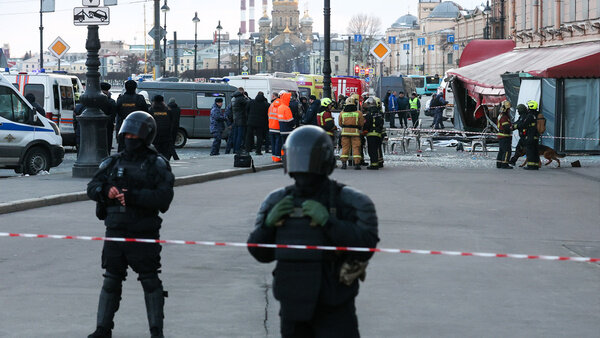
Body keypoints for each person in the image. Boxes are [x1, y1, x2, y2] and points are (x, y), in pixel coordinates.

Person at [247, 125, 379, 338]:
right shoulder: (277, 200)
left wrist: (329, 223)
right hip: (292, 303)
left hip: (334, 305)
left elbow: (365, 247)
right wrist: (267, 227)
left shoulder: (349, 200)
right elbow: (259, 252)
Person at [87, 111, 174, 338]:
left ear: (145, 137)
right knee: (111, 280)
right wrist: (106, 191)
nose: (130, 139)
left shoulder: (157, 164)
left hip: (143, 231)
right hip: (115, 229)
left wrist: (133, 196)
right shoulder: (113, 162)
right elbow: (92, 186)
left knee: (150, 281)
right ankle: (102, 330)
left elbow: (164, 199)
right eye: (127, 135)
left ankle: (156, 331)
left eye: (134, 136)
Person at [116, 80, 148, 152]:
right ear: (135, 88)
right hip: (137, 127)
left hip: (123, 127)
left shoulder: (121, 99)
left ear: (125, 87)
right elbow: (145, 112)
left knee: (122, 148)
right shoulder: (140, 98)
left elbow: (117, 112)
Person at [338, 96, 365, 170]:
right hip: (355, 133)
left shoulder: (342, 113)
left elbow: (340, 123)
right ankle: (357, 164)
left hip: (345, 133)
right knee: (356, 148)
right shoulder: (358, 113)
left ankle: (344, 164)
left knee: (345, 148)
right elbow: (361, 123)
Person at [149, 95, 174, 160]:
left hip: (155, 138)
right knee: (165, 157)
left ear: (154, 102)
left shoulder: (151, 111)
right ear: (163, 101)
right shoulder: (168, 111)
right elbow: (171, 123)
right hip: (166, 138)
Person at [363, 97, 385, 170]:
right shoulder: (379, 114)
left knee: (372, 150)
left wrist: (364, 130)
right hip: (378, 135)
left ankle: (374, 164)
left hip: (371, 135)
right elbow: (381, 124)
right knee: (377, 149)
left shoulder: (368, 115)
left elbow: (366, 125)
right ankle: (378, 162)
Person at [519, 100, 541, 170]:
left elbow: (524, 124)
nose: (527, 107)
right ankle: (535, 165)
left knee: (530, 151)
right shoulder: (538, 115)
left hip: (530, 136)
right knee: (535, 151)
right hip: (536, 136)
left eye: (528, 106)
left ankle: (531, 166)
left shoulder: (530, 115)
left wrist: (517, 125)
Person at [100, 82, 117, 154]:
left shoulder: (96, 101)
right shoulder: (112, 102)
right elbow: (113, 115)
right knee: (108, 143)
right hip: (108, 126)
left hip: (97, 125)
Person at [231, 87, 249, 154]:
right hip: (241, 119)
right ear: (242, 92)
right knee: (240, 136)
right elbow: (248, 102)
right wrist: (246, 97)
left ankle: (235, 149)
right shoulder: (241, 98)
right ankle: (238, 149)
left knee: (236, 135)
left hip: (235, 119)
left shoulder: (234, 98)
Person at [496, 100, 513, 169]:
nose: (509, 110)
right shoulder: (504, 117)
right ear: (506, 109)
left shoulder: (501, 115)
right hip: (505, 136)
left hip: (501, 136)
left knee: (501, 150)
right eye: (508, 109)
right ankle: (504, 164)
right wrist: (514, 127)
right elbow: (507, 127)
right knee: (507, 151)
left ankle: (499, 163)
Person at [268, 92, 282, 162]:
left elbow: (269, 115)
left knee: (273, 143)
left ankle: (274, 157)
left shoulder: (271, 105)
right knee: (278, 143)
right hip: (278, 127)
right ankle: (277, 157)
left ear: (273, 96)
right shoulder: (281, 104)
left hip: (271, 126)